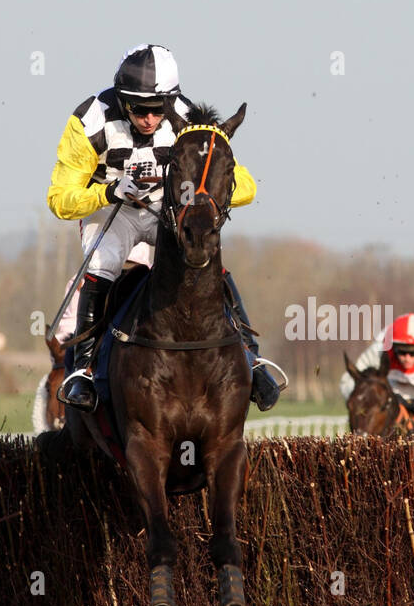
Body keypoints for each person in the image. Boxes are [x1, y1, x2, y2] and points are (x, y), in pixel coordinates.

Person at [46, 43, 280, 413]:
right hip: (112, 210)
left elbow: (245, 185)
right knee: (102, 263)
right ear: (122, 100)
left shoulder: (188, 118)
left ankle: (252, 359)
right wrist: (107, 191)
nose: (149, 119)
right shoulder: (89, 119)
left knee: (202, 260)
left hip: (165, 209)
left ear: (171, 101)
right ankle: (85, 371)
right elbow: (60, 198)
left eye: (158, 109)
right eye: (139, 109)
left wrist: (201, 199)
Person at [339, 313, 414, 429]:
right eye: (402, 352)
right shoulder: (381, 345)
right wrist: (361, 403)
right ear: (393, 346)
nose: (407, 358)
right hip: (396, 391)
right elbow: (348, 381)